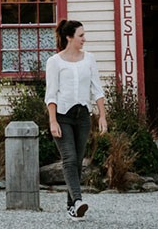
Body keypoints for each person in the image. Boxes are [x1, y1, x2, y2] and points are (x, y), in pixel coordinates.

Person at [45, 19, 107, 222]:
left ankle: (72, 207)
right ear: (69, 37)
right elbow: (51, 94)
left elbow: (97, 89)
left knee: (77, 163)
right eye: (81, 35)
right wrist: (52, 121)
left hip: (83, 117)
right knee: (69, 159)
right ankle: (79, 201)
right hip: (62, 117)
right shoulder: (54, 62)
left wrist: (102, 116)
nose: (84, 39)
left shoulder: (89, 59)